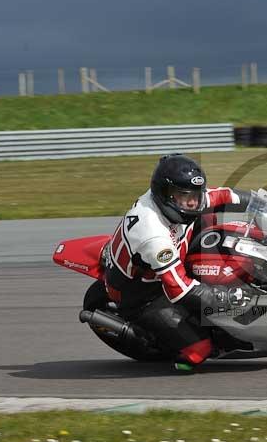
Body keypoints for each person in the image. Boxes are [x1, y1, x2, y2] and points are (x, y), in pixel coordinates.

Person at [103, 153, 256, 371]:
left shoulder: (181, 200)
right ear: (166, 195)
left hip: (172, 255)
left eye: (196, 194)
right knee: (199, 351)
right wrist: (224, 297)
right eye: (185, 196)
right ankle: (174, 352)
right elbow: (178, 289)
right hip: (143, 292)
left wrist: (266, 205)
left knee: (212, 220)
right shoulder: (152, 234)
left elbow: (223, 196)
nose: (193, 202)